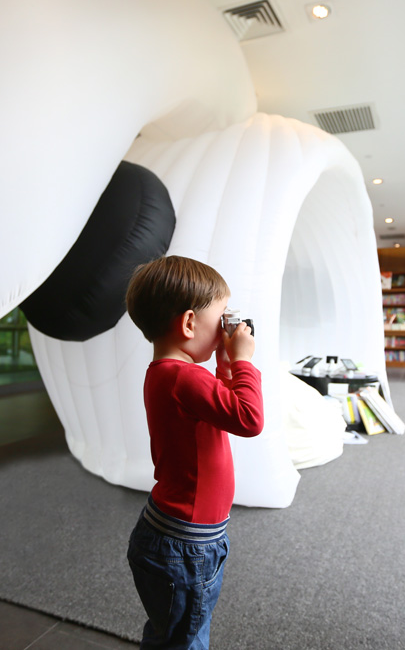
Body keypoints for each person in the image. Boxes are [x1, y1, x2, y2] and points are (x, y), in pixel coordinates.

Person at [124, 255, 263, 649]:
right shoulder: (184, 378)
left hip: (175, 538)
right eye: (220, 321)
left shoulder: (169, 374)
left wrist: (224, 364)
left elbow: (220, 413)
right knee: (185, 640)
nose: (225, 331)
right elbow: (248, 418)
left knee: (171, 632)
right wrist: (243, 360)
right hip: (185, 550)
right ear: (188, 323)